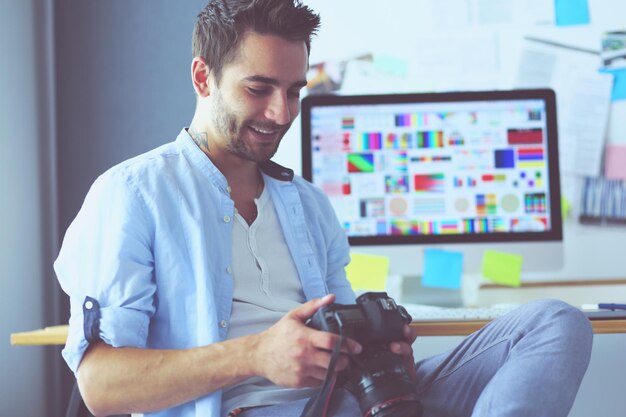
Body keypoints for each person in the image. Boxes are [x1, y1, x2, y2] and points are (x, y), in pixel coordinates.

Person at [54, 1, 593, 416]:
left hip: (353, 400)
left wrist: (376, 349)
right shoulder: (132, 195)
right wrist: (255, 355)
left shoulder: (308, 204)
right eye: (259, 89)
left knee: (554, 324)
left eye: (293, 91)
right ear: (203, 77)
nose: (280, 113)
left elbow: (344, 339)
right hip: (249, 407)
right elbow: (100, 386)